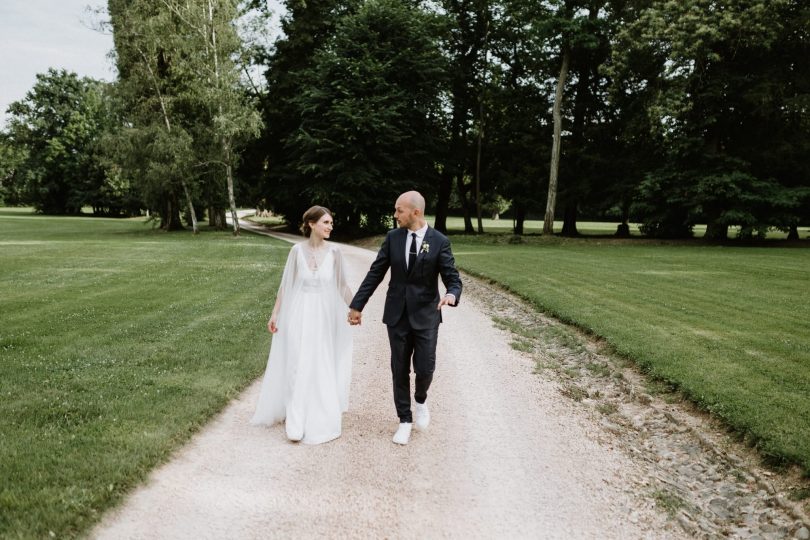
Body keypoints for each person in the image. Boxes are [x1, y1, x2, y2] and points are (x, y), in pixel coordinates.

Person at [348, 191, 462, 445]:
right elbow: (375, 273)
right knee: (399, 368)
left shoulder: (439, 241)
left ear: (415, 212)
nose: (395, 214)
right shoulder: (393, 238)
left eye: (399, 210)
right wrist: (358, 305)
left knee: (425, 368)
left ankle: (420, 400)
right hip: (397, 315)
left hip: (427, 315)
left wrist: (452, 294)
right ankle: (404, 420)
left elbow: (452, 277)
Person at [251, 206, 354, 445]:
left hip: (324, 317)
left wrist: (355, 307)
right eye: (326, 222)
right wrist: (275, 314)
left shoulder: (335, 252)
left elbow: (342, 286)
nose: (330, 226)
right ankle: (295, 420)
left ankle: (320, 413)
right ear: (311, 224)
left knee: (320, 361)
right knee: (298, 362)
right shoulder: (296, 252)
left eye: (331, 223)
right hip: (298, 314)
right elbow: (286, 286)